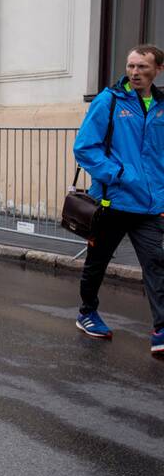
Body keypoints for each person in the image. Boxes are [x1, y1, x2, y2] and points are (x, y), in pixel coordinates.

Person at [73, 44, 164, 357]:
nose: (135, 73)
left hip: (151, 206)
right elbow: (85, 147)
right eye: (131, 66)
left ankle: (161, 330)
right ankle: (87, 313)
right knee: (97, 263)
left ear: (158, 70)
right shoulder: (110, 100)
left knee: (157, 264)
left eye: (142, 67)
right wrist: (118, 173)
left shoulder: (162, 105)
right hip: (113, 202)